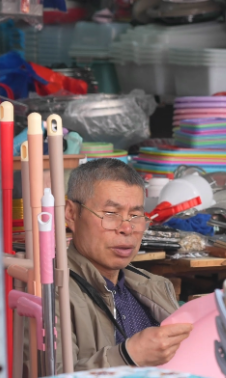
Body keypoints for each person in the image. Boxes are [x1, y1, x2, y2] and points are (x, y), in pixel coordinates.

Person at [60, 158, 191, 370]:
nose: (127, 228)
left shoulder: (157, 287)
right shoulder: (51, 294)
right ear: (72, 214)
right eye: (111, 214)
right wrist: (128, 356)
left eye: (135, 215)